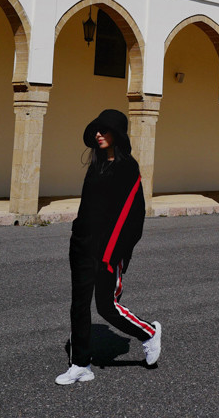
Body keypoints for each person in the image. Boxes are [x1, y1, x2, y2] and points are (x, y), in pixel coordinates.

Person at [56, 108, 163, 385]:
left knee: (106, 307)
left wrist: (114, 254)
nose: (98, 134)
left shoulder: (128, 169)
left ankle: (149, 333)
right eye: (96, 130)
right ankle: (80, 364)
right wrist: (77, 236)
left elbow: (133, 217)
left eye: (104, 130)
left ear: (117, 134)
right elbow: (87, 209)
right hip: (82, 246)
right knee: (78, 306)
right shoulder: (95, 165)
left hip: (107, 252)